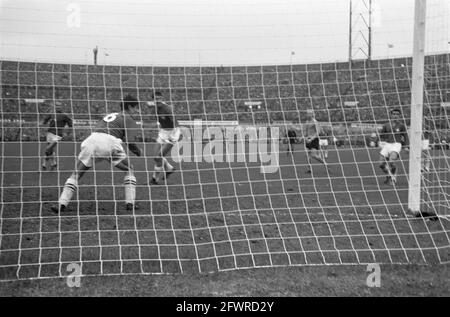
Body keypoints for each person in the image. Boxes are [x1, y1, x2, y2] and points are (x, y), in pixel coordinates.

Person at [51, 95, 142, 213]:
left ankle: (61, 203)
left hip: (92, 140)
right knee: (129, 168)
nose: (137, 111)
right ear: (129, 107)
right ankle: (130, 203)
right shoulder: (129, 119)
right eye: (136, 108)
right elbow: (130, 141)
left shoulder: (112, 115)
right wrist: (138, 151)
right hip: (110, 142)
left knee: (76, 173)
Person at [148, 92, 181, 184]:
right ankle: (169, 168)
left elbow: (175, 122)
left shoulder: (167, 109)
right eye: (156, 99)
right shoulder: (154, 107)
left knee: (159, 156)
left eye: (159, 98)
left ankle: (155, 179)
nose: (158, 100)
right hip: (163, 132)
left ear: (162, 99)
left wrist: (174, 135)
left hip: (173, 132)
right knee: (156, 157)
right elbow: (148, 104)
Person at [378, 108, 409, 185]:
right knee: (381, 164)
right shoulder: (386, 125)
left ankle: (393, 178)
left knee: (391, 161)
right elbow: (381, 135)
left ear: (399, 116)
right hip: (387, 144)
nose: (395, 116)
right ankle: (389, 175)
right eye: (394, 114)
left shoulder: (402, 126)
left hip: (396, 144)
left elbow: (405, 136)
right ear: (391, 115)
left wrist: (407, 146)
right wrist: (379, 141)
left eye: (397, 114)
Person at [41, 102, 73, 170]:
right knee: (50, 150)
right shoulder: (51, 114)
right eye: (57, 106)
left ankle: (44, 163)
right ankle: (53, 163)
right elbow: (44, 121)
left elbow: (71, 125)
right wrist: (42, 125)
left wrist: (68, 133)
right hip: (49, 133)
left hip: (58, 135)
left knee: (48, 148)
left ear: (61, 107)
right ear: (55, 107)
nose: (58, 107)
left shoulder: (64, 115)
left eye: (59, 106)